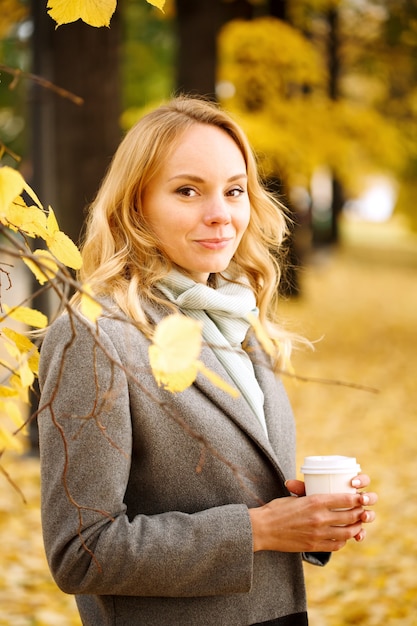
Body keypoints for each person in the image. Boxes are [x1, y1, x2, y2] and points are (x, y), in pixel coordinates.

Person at [38, 95, 377, 626]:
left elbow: (241, 490)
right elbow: (81, 552)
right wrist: (260, 530)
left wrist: (309, 519)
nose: (220, 214)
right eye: (188, 191)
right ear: (136, 204)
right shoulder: (96, 336)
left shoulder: (237, 320)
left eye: (234, 190)